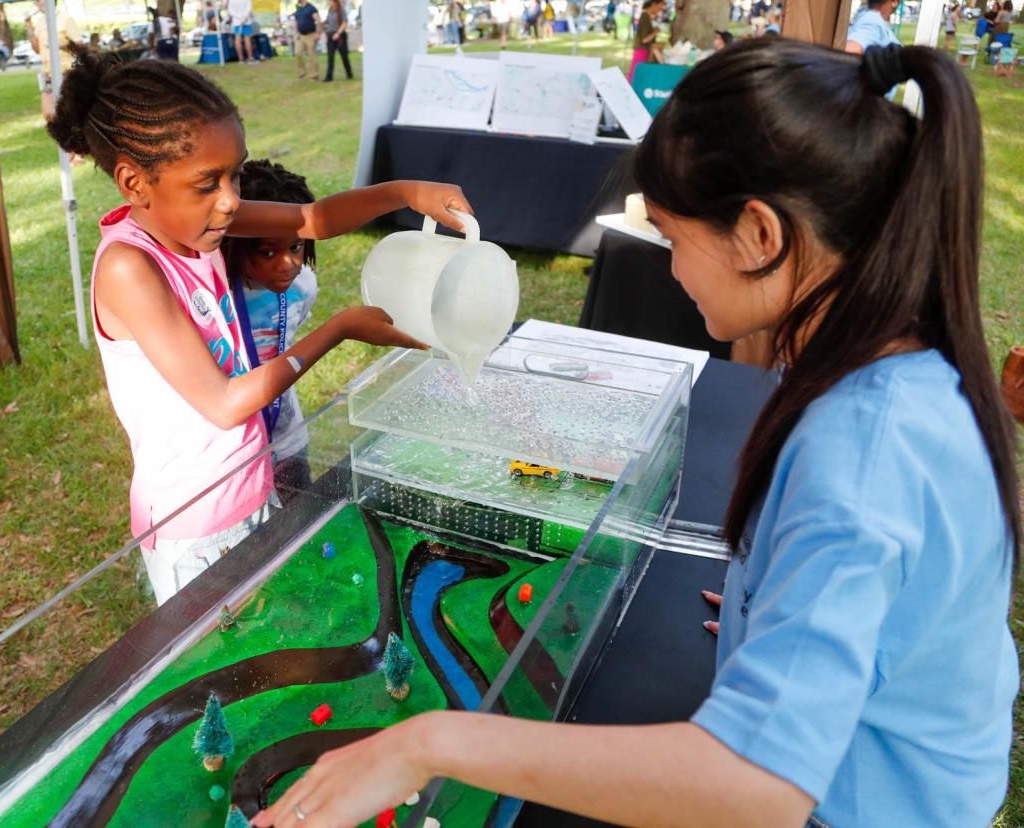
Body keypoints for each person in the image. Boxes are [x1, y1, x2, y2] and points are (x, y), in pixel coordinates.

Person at [253, 40, 1019, 828]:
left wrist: (427, 743)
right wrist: (787, 607)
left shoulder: (863, 451)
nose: (673, 270)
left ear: (761, 234)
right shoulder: (889, 364)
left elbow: (755, 786)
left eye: (674, 239)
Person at [45, 45, 469, 604]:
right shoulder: (131, 267)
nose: (229, 202)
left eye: (236, 175)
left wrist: (407, 193)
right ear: (133, 183)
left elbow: (313, 219)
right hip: (194, 520)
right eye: (208, 183)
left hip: (250, 483)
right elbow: (223, 403)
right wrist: (339, 328)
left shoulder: (197, 219)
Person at [222, 160, 319, 499]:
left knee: (298, 523)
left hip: (289, 438)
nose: (288, 263)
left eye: (295, 247)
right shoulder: (220, 295)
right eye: (267, 251)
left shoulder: (304, 287)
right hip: (235, 456)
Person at [28, 0, 82, 118]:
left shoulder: (65, 19)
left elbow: (79, 45)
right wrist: (29, 28)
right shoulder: (41, 22)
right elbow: (37, 49)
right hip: (48, 74)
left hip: (66, 72)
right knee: (48, 114)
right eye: (35, 1)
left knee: (68, 111)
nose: (37, 3)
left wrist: (58, 46)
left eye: (39, 0)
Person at [630, 0, 664, 78]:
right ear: (654, 4)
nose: (660, 9)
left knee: (638, 75)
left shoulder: (647, 17)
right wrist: (655, 32)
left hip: (644, 51)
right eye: (660, 6)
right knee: (637, 75)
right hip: (642, 51)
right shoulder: (644, 16)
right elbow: (644, 39)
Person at [323, 0, 352, 82]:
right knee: (330, 57)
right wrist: (325, 26)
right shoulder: (330, 11)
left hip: (340, 36)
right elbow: (328, 22)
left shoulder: (341, 10)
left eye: (331, 1)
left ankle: (349, 74)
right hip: (330, 36)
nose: (329, 2)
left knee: (344, 57)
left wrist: (338, 33)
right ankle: (329, 77)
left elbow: (344, 23)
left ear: (335, 2)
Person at [292, 0, 320, 80]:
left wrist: (317, 33)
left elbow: (317, 20)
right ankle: (302, 72)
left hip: (310, 35)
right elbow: (296, 22)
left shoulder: (311, 8)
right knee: (298, 53)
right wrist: (296, 33)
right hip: (300, 36)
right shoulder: (298, 9)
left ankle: (315, 74)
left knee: (312, 55)